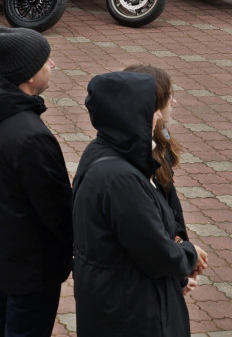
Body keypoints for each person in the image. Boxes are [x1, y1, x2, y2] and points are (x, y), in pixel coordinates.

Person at [72, 70, 206, 336]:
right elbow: (156, 252)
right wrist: (189, 255)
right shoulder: (121, 179)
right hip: (130, 310)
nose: (158, 115)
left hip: (114, 298)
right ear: (130, 115)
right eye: (150, 109)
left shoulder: (102, 151)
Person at [0, 27, 72, 337]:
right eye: (45, 60)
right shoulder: (31, 136)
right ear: (29, 74)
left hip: (4, 253)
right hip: (33, 266)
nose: (52, 64)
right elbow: (58, 209)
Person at [124, 65, 190, 244]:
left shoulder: (160, 139)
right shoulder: (141, 158)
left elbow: (171, 204)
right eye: (169, 96)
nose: (173, 102)